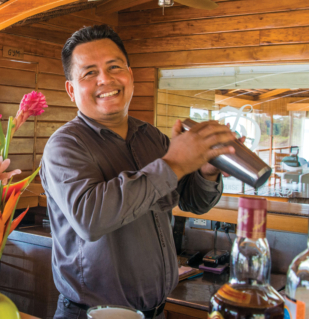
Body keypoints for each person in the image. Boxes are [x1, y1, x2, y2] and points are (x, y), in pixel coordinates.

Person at [41, 25, 238, 319]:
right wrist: (175, 163)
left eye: (114, 67)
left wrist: (206, 170)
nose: (105, 79)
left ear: (130, 76)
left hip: (156, 312)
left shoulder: (151, 138)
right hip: (91, 314)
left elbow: (193, 202)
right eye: (89, 73)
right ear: (71, 89)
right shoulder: (64, 146)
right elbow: (91, 219)